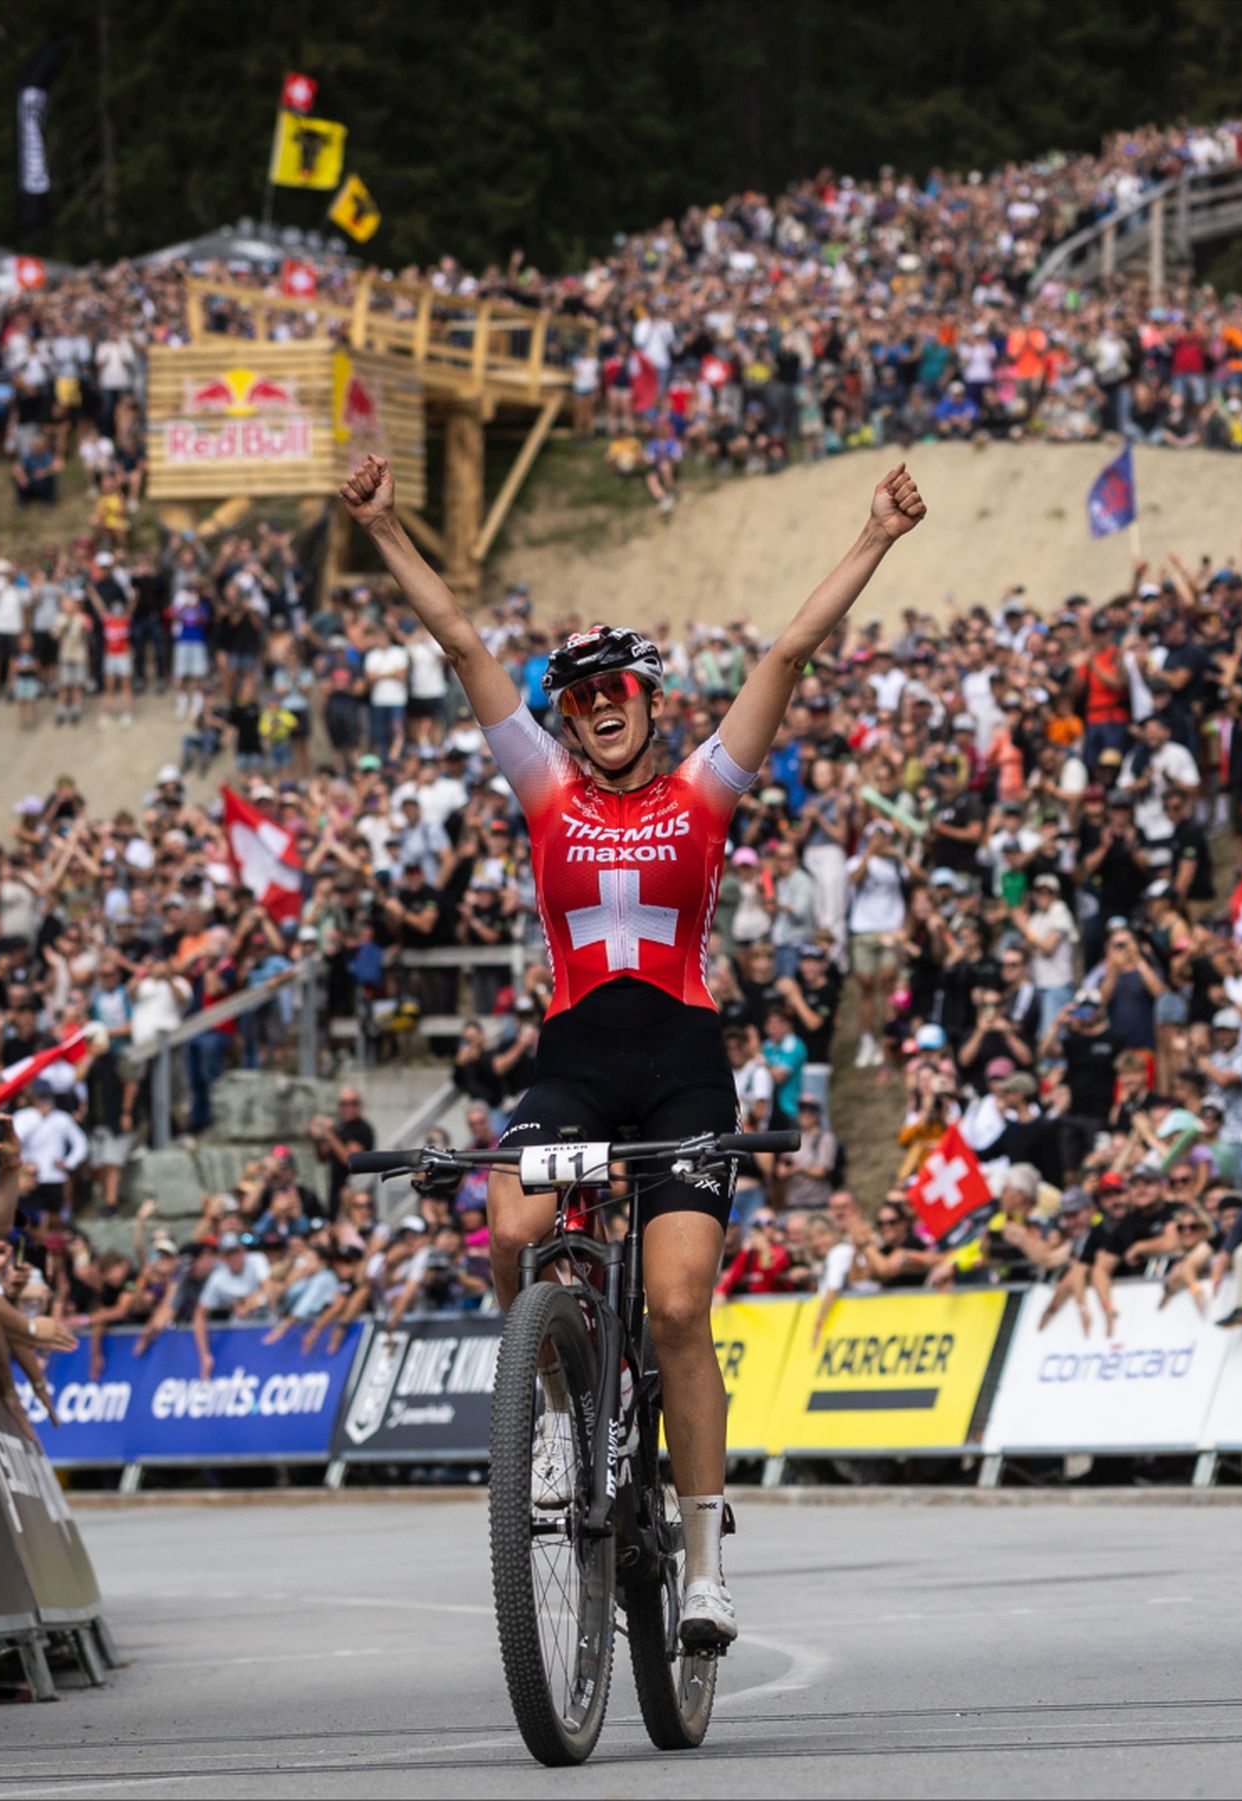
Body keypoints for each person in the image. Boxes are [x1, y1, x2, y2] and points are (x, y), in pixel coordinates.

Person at [337, 447, 924, 1650]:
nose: (598, 704)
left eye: (620, 690)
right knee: (509, 1223)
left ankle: (704, 1563)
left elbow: (784, 657)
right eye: (580, 693)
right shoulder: (544, 787)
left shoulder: (705, 790)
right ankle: (553, 1409)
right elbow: (460, 644)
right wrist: (389, 529)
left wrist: (874, 537)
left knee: (672, 1306)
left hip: (679, 1068)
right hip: (575, 1067)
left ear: (654, 705)